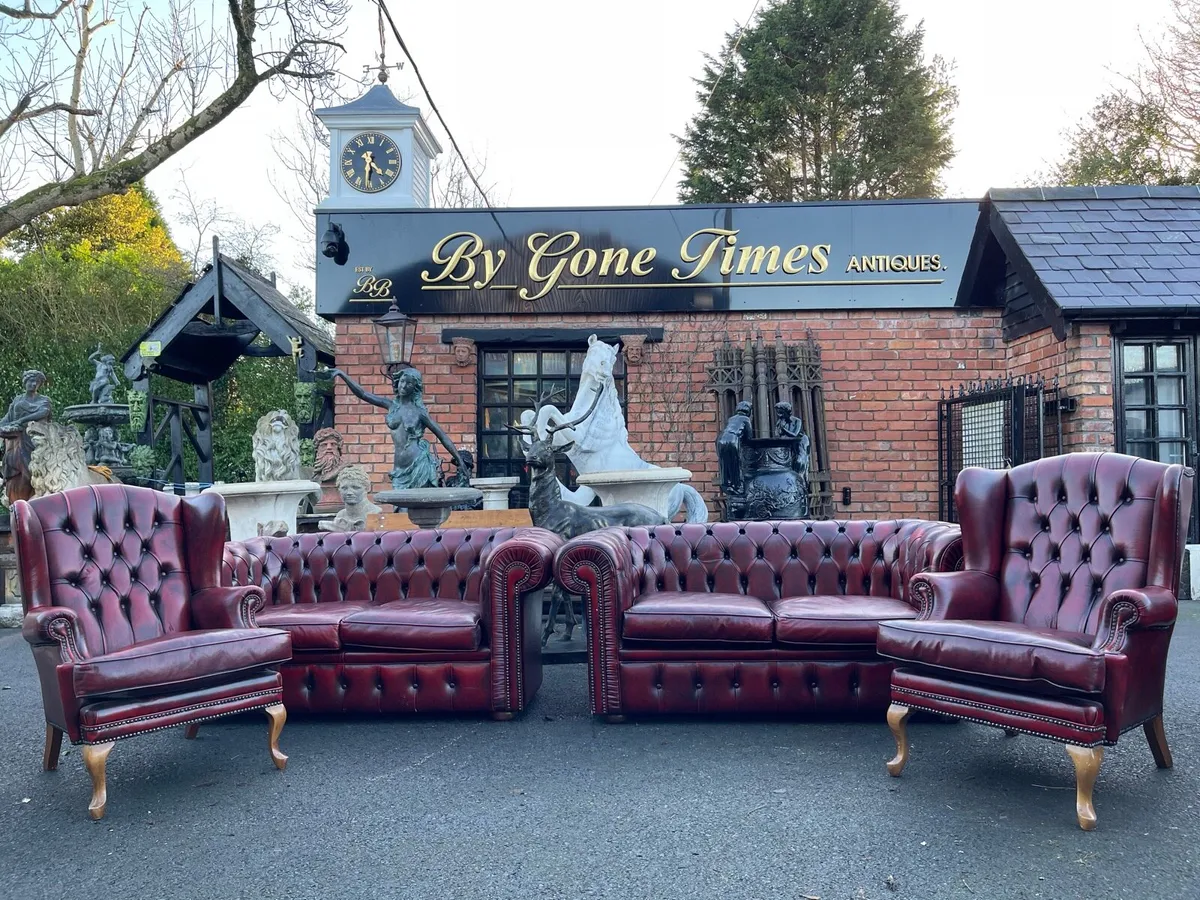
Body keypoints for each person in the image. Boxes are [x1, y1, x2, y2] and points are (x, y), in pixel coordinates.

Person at [322, 365, 466, 490]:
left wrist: (459, 460)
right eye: (402, 381)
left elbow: (442, 436)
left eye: (409, 384)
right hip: (399, 467)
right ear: (398, 382)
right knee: (401, 509)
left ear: (414, 388)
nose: (404, 386)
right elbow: (363, 394)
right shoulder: (391, 405)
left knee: (419, 511)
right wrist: (342, 374)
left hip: (419, 464)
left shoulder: (419, 412)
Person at [0, 370, 52, 505]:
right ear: (25, 383)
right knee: (13, 469)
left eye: (36, 382)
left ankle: (39, 497)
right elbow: (8, 418)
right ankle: (14, 501)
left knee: (36, 472)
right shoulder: (18, 400)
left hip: (34, 441)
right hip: (14, 441)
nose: (33, 384)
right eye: (30, 381)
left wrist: (21, 421)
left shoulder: (44, 400)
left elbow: (43, 412)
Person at [716, 400, 754, 497]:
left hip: (720, 439)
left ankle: (726, 483)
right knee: (735, 463)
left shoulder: (731, 418)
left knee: (724, 463)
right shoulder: (745, 419)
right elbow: (749, 437)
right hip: (732, 439)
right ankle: (736, 485)